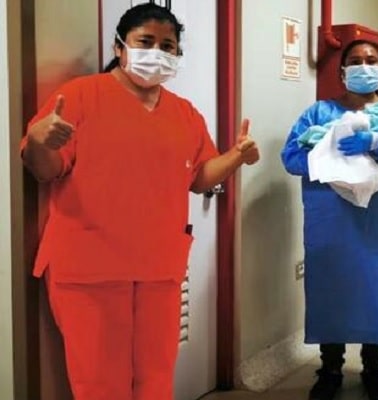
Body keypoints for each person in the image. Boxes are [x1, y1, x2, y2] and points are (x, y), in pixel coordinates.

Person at [20, 4, 259, 399]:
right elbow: (44, 170)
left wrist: (236, 157)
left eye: (168, 46)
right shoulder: (80, 96)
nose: (157, 53)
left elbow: (199, 177)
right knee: (99, 382)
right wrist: (40, 142)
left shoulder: (184, 113)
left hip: (158, 269)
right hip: (90, 268)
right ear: (119, 47)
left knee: (156, 377)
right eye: (145, 42)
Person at [281, 39, 378, 400]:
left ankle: (374, 370)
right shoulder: (318, 115)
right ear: (342, 72)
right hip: (331, 224)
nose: (363, 66)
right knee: (332, 292)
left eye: (371, 60)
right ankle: (330, 370)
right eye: (355, 61)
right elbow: (291, 158)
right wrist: (329, 153)